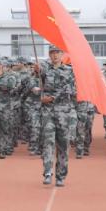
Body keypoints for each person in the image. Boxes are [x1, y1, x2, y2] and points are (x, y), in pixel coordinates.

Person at [40, 46, 76, 187]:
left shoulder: (69, 71)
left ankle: (60, 175)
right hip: (48, 112)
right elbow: (37, 87)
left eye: (57, 53)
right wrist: (40, 94)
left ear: (62, 55)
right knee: (48, 141)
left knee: (63, 145)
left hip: (64, 112)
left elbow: (70, 89)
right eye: (52, 53)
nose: (55, 55)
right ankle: (48, 172)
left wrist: (52, 97)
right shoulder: (44, 70)